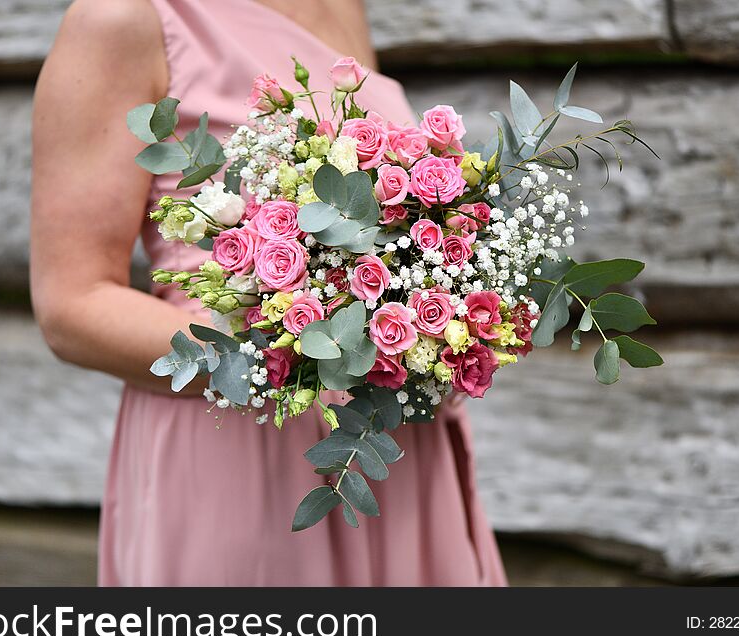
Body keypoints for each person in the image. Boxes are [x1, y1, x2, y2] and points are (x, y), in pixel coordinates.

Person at [31, 0, 506, 586]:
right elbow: (71, 306)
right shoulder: (123, 18)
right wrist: (295, 354)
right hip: (243, 453)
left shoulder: (342, 8)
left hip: (390, 447)